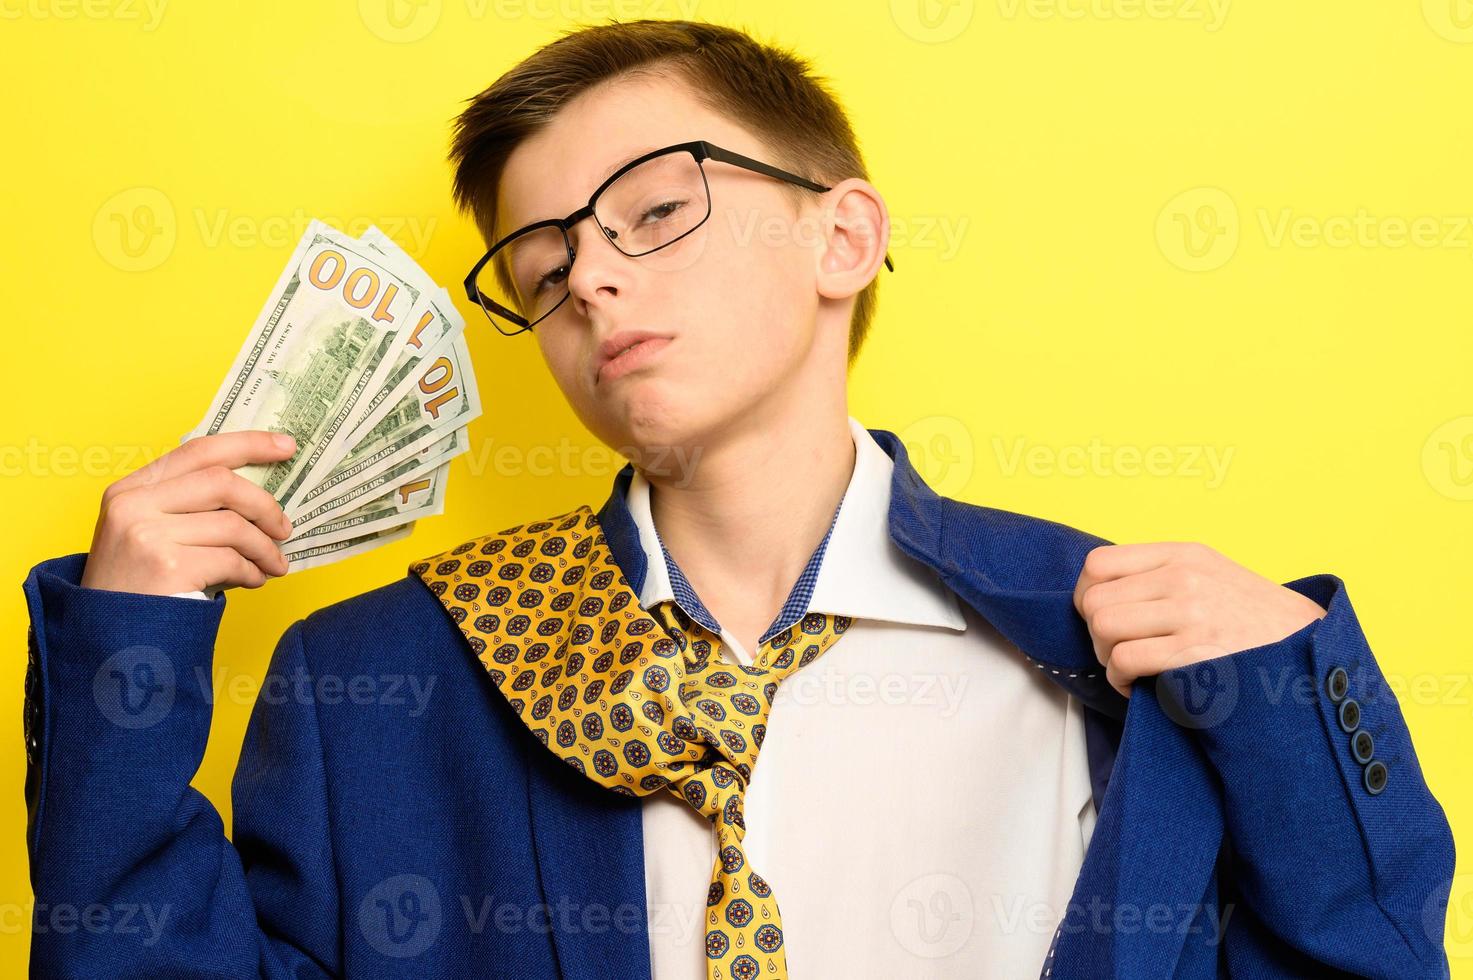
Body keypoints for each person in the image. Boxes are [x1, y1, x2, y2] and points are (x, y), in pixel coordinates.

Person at [21, 18, 1455, 979]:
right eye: (543, 265)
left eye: (653, 212)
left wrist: (1290, 694)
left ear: (843, 234)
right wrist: (127, 652)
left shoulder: (1131, 651)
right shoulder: (379, 684)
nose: (591, 276)